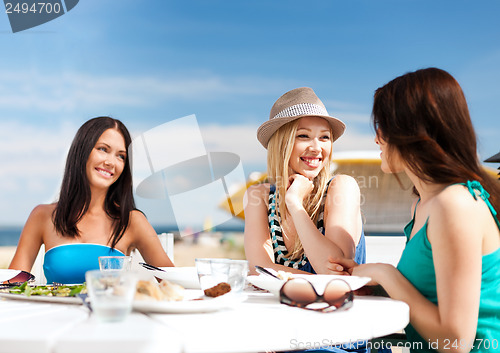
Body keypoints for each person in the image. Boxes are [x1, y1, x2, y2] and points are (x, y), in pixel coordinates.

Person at [331, 68, 500, 353]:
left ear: (410, 131)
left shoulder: (455, 205)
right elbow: (427, 297)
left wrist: (387, 275)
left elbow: (456, 343)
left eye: (382, 126)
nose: (376, 139)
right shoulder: (422, 205)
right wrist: (372, 284)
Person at [9, 116, 174, 284]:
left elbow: (175, 283)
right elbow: (10, 285)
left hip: (108, 310)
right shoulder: (43, 216)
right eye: (103, 149)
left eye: (121, 156)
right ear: (82, 151)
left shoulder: (131, 221)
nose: (111, 162)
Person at [244, 87, 366, 276]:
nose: (317, 148)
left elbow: (336, 271)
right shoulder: (259, 196)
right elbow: (258, 269)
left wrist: (294, 204)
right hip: (278, 306)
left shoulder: (342, 187)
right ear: (281, 144)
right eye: (303, 136)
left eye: (325, 137)